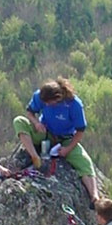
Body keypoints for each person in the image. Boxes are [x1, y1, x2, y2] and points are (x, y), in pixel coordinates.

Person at [13, 76, 99, 205]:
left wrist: (68, 149)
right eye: (45, 103)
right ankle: (35, 156)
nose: (46, 105)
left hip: (65, 139)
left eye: (49, 103)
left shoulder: (74, 104)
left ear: (58, 98)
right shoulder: (40, 96)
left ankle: (94, 197)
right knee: (19, 121)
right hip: (45, 134)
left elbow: (80, 130)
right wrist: (36, 123)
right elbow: (30, 112)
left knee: (84, 162)